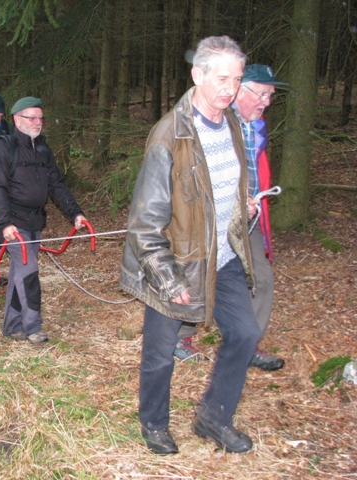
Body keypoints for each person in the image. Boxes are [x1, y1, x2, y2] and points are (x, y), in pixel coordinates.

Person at [120, 36, 261, 455]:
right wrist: (167, 278)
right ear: (197, 75)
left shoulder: (232, 122)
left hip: (223, 254)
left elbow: (223, 184)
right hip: (177, 260)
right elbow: (144, 224)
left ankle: (213, 418)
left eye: (236, 80)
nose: (230, 89)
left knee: (245, 333)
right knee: (161, 353)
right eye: (222, 78)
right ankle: (154, 423)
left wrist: (242, 204)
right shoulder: (170, 135)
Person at [174, 64, 287, 371]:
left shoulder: (256, 126)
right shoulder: (217, 120)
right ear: (240, 90)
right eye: (261, 94)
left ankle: (245, 344)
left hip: (247, 218)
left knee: (261, 278)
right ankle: (178, 336)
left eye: (270, 95)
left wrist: (253, 202)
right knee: (200, 274)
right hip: (212, 215)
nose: (265, 101)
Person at [0, 96, 87, 344]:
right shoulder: (4, 148)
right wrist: (4, 224)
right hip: (12, 223)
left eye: (40, 117)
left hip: (34, 221)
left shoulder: (43, 149)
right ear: (17, 119)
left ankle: (12, 326)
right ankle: (33, 327)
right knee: (29, 271)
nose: (37, 122)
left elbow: (57, 185)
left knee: (20, 274)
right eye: (31, 117)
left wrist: (75, 213)